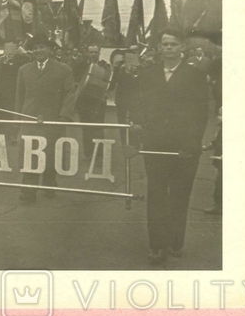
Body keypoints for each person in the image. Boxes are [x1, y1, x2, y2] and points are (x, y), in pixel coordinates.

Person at [131, 28, 209, 264]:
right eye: (165, 44)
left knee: (179, 194)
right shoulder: (149, 74)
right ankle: (156, 245)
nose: (168, 48)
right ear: (160, 48)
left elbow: (201, 114)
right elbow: (139, 104)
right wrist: (136, 123)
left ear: (182, 48)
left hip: (185, 147)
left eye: (173, 44)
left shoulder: (194, 75)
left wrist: (191, 144)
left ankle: (175, 241)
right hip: (155, 144)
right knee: (156, 193)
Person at [14, 33, 76, 201]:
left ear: (49, 49)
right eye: (35, 48)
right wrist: (18, 118)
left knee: (51, 153)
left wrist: (65, 116)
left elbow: (70, 94)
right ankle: (28, 190)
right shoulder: (24, 70)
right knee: (29, 154)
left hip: (53, 119)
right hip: (29, 119)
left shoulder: (63, 69)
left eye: (42, 47)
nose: (38, 50)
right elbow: (19, 96)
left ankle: (49, 182)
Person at [75, 45, 112, 159]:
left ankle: (99, 155)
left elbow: (108, 80)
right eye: (91, 52)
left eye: (96, 52)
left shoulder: (103, 65)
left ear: (99, 53)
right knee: (86, 128)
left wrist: (108, 70)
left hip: (98, 102)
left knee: (98, 128)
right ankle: (88, 154)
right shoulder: (80, 65)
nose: (93, 54)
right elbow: (75, 80)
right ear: (87, 53)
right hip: (84, 102)